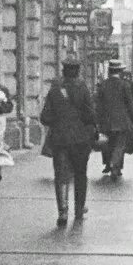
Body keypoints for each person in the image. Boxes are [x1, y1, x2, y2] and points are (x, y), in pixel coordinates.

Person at [41, 58, 97, 225]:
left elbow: (45, 117)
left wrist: (59, 121)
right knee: (80, 175)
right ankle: (79, 210)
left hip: (60, 140)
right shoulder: (83, 89)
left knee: (61, 176)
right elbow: (90, 115)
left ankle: (63, 212)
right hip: (80, 140)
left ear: (63, 71)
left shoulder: (54, 90)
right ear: (78, 71)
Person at [96, 60, 133, 179]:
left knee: (108, 143)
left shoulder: (103, 85)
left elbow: (98, 105)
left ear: (109, 71)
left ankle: (112, 165)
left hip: (106, 121)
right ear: (120, 71)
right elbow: (130, 104)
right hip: (122, 121)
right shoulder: (125, 85)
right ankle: (115, 166)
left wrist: (98, 121)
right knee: (120, 145)